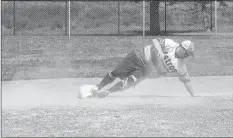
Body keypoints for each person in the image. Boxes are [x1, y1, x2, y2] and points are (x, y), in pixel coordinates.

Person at [91, 37, 196, 98]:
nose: (187, 56)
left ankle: (107, 93)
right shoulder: (171, 44)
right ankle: (98, 88)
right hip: (138, 56)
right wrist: (160, 51)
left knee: (131, 81)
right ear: (182, 48)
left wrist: (194, 95)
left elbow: (186, 80)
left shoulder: (181, 66)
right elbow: (155, 40)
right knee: (116, 73)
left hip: (145, 70)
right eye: (187, 53)